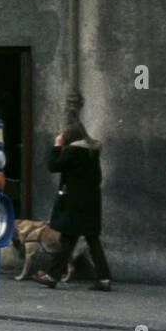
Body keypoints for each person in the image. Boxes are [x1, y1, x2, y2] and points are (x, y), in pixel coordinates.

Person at [35, 121, 113, 291]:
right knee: (91, 239)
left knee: (67, 239)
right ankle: (104, 278)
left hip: (74, 202)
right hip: (91, 201)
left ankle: (52, 276)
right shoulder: (92, 152)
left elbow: (53, 165)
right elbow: (98, 178)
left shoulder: (73, 151)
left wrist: (57, 146)